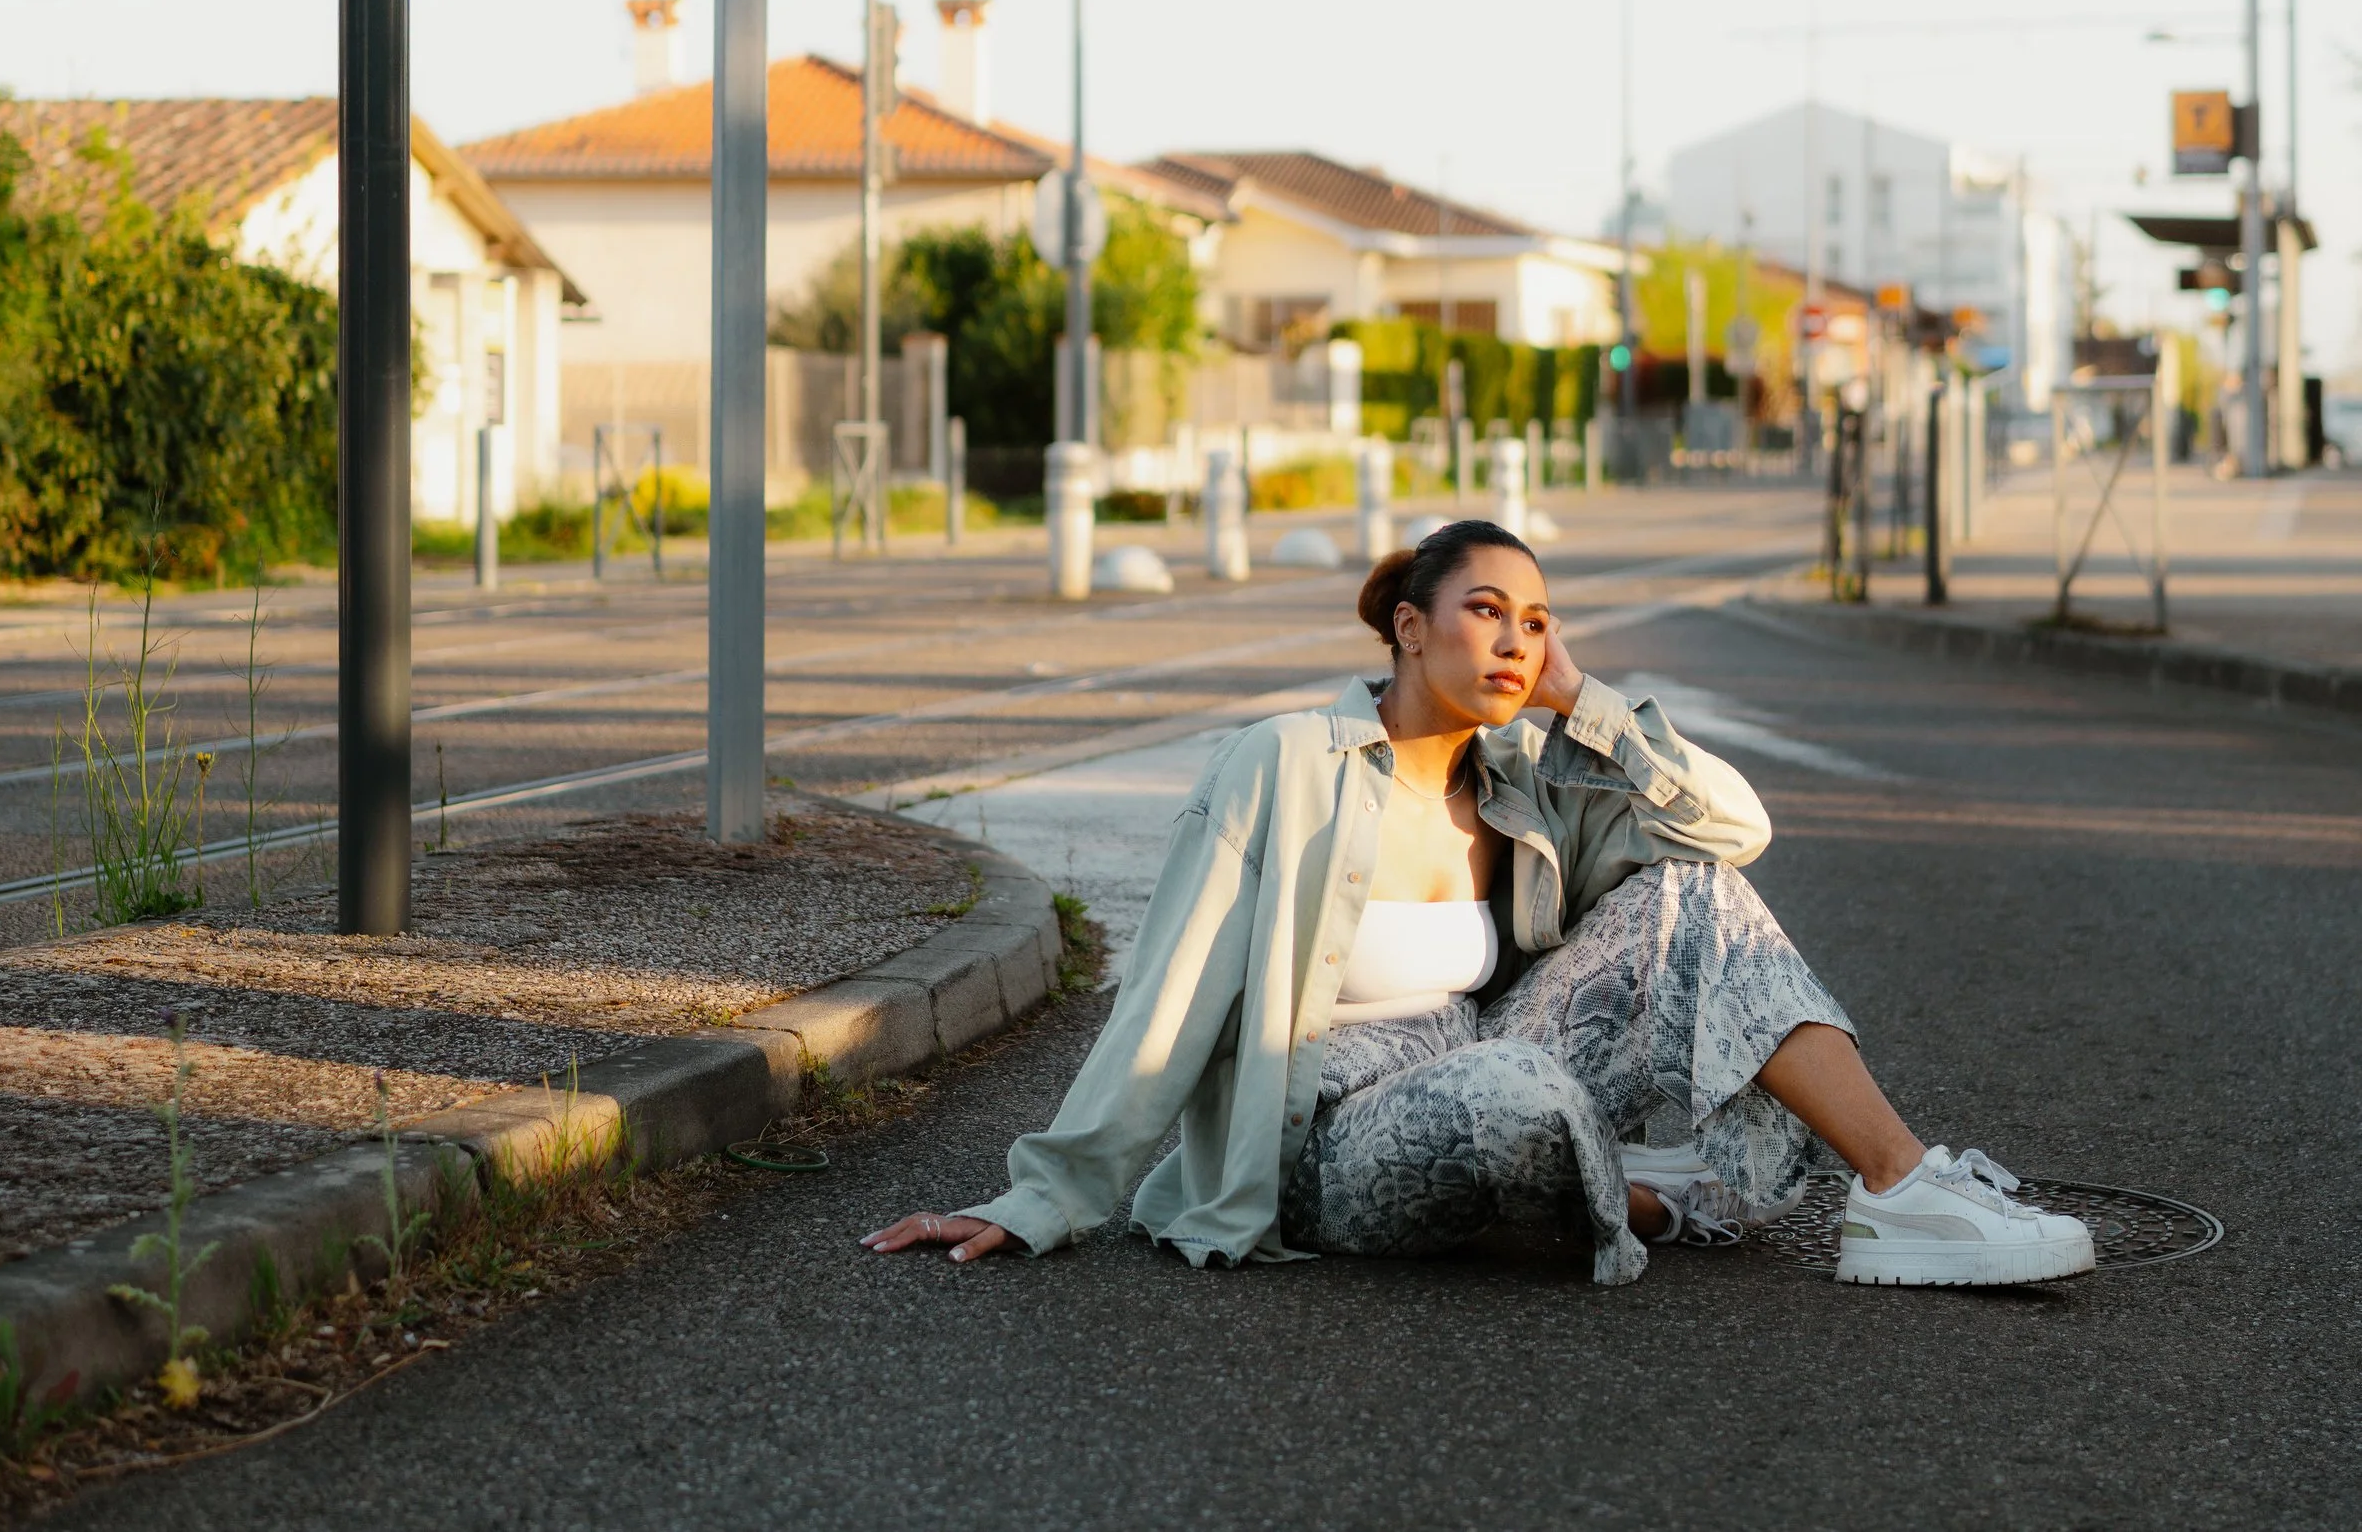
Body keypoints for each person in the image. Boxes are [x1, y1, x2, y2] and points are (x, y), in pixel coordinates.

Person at [866, 517, 2093, 1289]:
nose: (1515, 637)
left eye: (1538, 619)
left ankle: (1899, 1190)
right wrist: (1046, 1195)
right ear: (1407, 626)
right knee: (1526, 1096)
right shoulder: (1284, 762)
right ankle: (1647, 1192)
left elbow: (1735, 830)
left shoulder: (1524, 782)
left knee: (1696, 895)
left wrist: (1580, 700)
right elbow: (1171, 989)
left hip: (1481, 1051)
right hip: (1326, 1135)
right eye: (1485, 610)